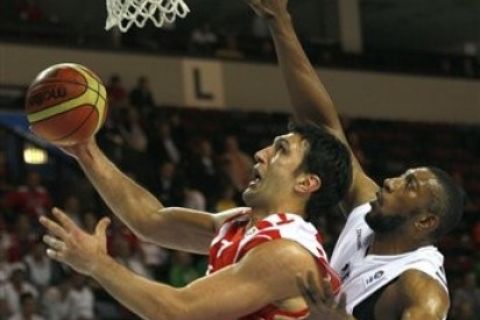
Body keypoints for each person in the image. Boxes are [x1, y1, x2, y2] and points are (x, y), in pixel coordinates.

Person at [248, 0, 464, 319]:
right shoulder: (367, 216)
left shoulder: (421, 288)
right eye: (401, 176)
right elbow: (322, 131)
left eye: (409, 185)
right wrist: (280, 22)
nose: (389, 182)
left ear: (425, 221)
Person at [39, 123, 352, 320]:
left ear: (307, 183)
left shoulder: (287, 255)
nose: (259, 154)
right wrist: (86, 151)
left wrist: (98, 265)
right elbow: (148, 220)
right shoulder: (242, 224)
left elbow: (177, 311)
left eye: (281, 150)